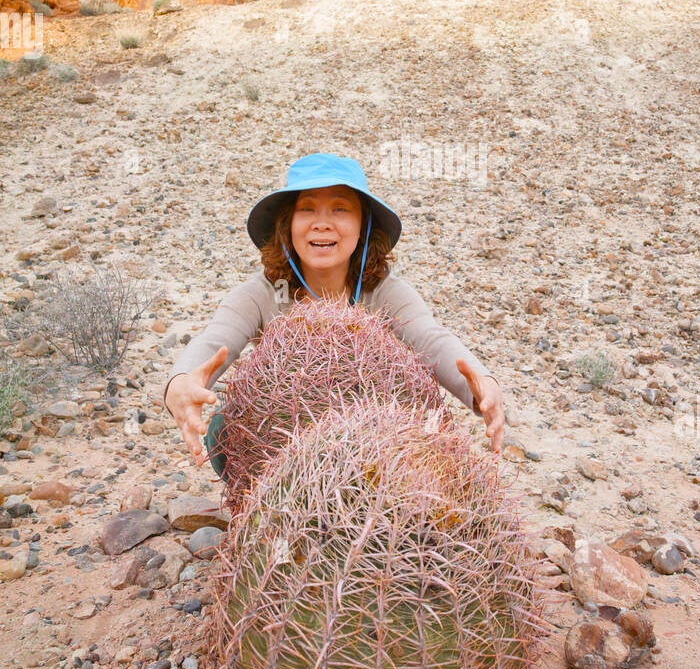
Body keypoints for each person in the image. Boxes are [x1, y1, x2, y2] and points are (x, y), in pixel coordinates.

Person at [163, 153, 505, 477]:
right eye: (307, 209)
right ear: (287, 224)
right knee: (225, 425)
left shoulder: (383, 292)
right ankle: (272, 510)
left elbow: (432, 339)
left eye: (340, 209)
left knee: (428, 422)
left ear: (363, 225)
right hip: (286, 443)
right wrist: (181, 384)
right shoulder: (266, 292)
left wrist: (481, 384)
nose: (322, 224)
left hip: (373, 443)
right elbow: (215, 340)